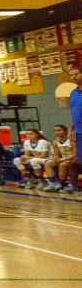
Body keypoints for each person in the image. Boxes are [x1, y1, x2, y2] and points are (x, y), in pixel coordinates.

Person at [42, 125, 76, 192]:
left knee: (63, 164)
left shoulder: (72, 140)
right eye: (55, 131)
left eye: (59, 130)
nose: (57, 132)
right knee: (47, 163)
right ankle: (52, 183)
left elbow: (75, 154)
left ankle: (61, 183)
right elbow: (56, 153)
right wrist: (56, 158)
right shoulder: (55, 142)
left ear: (65, 131)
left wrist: (63, 159)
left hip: (73, 159)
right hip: (63, 159)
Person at [67, 65, 82, 193]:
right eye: (71, 75)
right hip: (79, 132)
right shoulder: (73, 93)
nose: (73, 77)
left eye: (76, 74)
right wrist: (70, 130)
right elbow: (74, 113)